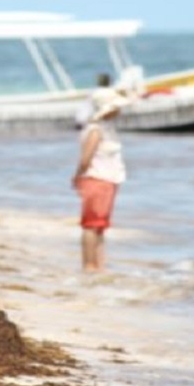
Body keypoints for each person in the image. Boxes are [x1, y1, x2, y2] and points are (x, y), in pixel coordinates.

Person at [71, 73, 130, 272]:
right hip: (96, 179)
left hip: (107, 179)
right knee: (91, 224)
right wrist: (78, 176)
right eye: (116, 108)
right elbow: (86, 158)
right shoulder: (96, 130)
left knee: (100, 225)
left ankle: (99, 264)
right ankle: (89, 265)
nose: (119, 111)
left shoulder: (105, 129)